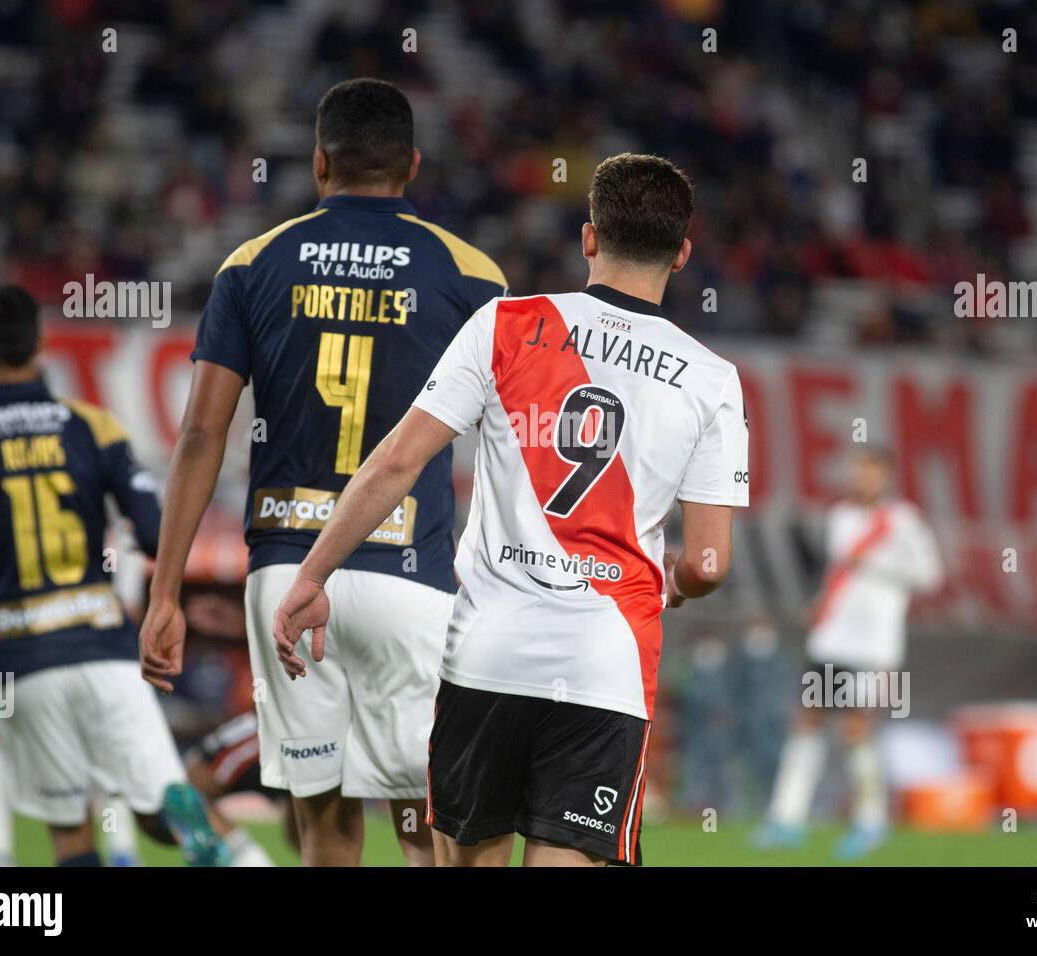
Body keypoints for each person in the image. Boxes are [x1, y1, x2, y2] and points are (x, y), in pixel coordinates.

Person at [274, 152, 750, 866]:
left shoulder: (504, 324)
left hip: (487, 658)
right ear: (682, 253)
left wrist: (312, 576)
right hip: (605, 664)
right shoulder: (711, 379)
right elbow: (711, 562)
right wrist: (675, 583)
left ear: (589, 238)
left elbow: (398, 461)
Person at [139, 78, 508, 867]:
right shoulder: (473, 275)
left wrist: (165, 590)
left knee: (325, 827)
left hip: (286, 575)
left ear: (317, 162)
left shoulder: (253, 263)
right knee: (427, 823)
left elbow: (203, 432)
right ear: (411, 166)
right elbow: (514, 446)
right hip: (411, 575)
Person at [0, 285, 227, 866]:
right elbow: (158, 534)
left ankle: (8, 852)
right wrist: (162, 597)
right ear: (41, 344)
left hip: (20, 663)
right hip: (105, 648)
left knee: (69, 830)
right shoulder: (93, 427)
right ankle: (194, 829)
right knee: (170, 807)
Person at [754, 446, 942, 858]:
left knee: (858, 727)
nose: (860, 480)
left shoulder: (902, 521)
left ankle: (871, 822)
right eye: (856, 472)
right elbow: (840, 571)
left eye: (869, 472)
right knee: (808, 721)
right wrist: (822, 602)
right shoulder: (841, 515)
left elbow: (930, 575)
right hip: (832, 637)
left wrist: (874, 564)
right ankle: (786, 819)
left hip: (876, 644)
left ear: (886, 476)